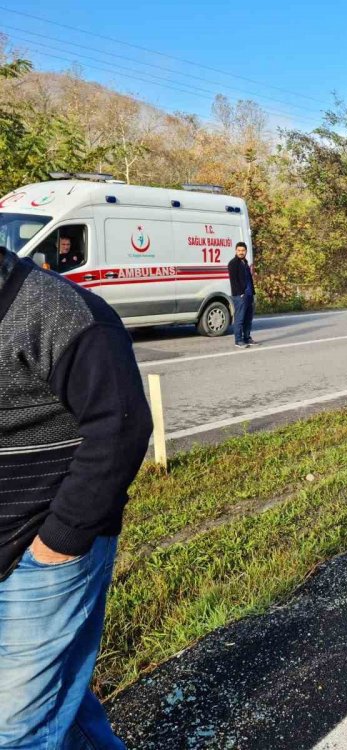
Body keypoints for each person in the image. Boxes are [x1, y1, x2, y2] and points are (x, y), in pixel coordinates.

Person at [0, 245, 152, 748]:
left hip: (40, 559)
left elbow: (122, 427)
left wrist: (58, 544)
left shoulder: (56, 311)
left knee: (17, 731)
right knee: (57, 700)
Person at [228, 242, 257, 347]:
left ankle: (247, 338)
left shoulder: (245, 262)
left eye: (243, 250)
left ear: (246, 251)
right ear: (236, 251)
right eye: (239, 250)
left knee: (248, 319)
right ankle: (238, 340)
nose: (241, 252)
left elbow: (249, 279)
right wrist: (240, 293)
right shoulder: (233, 263)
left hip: (249, 294)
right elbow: (234, 281)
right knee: (239, 319)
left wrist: (252, 293)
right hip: (240, 296)